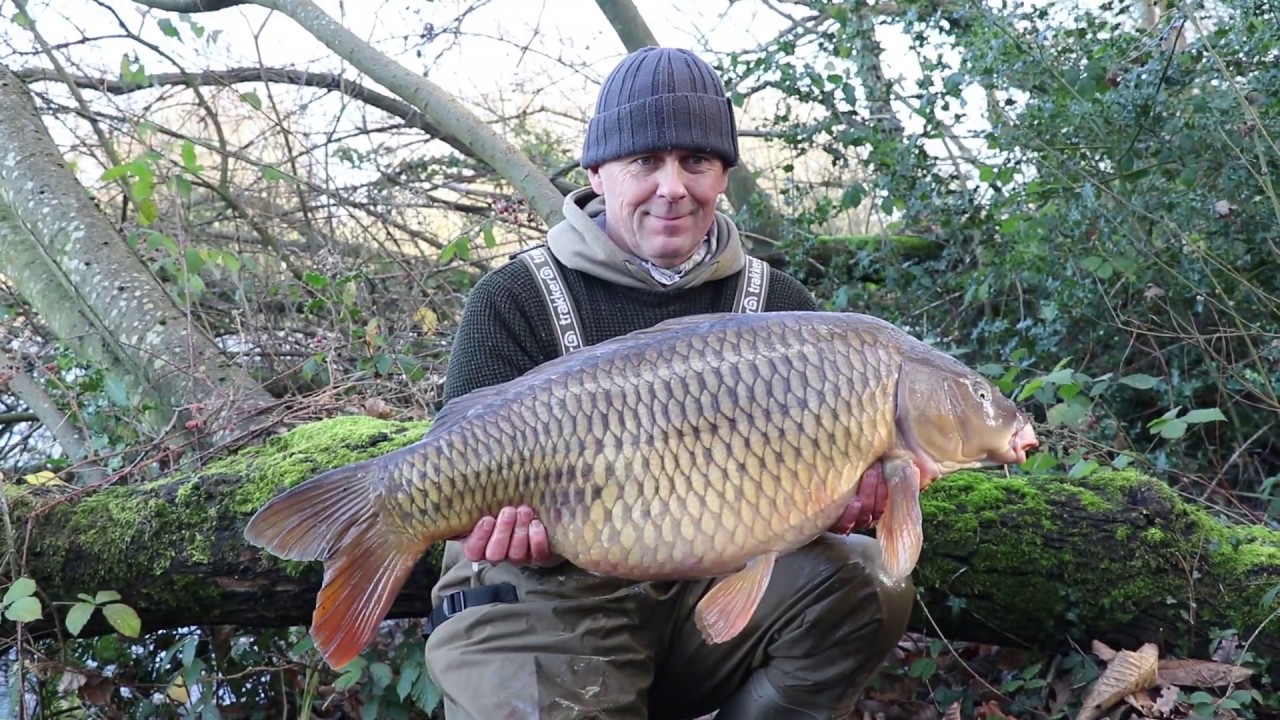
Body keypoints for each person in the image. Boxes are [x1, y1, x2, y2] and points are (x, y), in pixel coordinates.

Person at [422, 46, 915, 720]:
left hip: (712, 597)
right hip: (546, 602)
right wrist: (489, 530)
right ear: (598, 173)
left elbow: (829, 501)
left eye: (697, 162)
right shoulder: (515, 297)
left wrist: (845, 495)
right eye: (645, 161)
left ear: (724, 177)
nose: (672, 186)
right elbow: (458, 464)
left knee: (868, 581)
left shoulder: (783, 307)